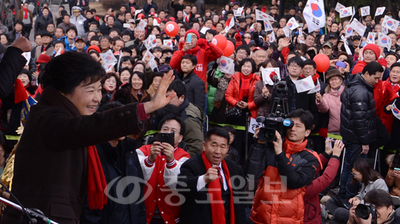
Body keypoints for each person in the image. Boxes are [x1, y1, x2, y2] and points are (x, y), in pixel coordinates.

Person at [0, 51, 176, 223]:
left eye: (99, 89)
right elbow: (89, 127)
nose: (97, 98)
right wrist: (146, 107)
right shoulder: (48, 117)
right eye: (90, 90)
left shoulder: (65, 117)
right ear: (63, 90)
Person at [246, 109, 320, 224]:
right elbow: (252, 174)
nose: (293, 129)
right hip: (261, 216)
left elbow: (294, 182)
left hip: (288, 219)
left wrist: (280, 154)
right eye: (290, 124)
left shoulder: (310, 158)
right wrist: (258, 145)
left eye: (298, 126)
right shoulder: (270, 148)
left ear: (307, 132)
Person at [80, 102, 146, 224]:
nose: (123, 127)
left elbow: (139, 198)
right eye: (118, 122)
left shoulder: (130, 152)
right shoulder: (93, 155)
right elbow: (90, 210)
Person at [177, 127, 247, 224]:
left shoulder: (234, 168)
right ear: (204, 146)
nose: (218, 151)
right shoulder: (191, 165)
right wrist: (203, 179)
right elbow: (181, 187)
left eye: (222, 147)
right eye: (214, 145)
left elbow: (239, 206)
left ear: (227, 148)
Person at [339, 61, 385, 199]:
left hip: (351, 136)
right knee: (357, 170)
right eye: (375, 77)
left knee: (348, 166)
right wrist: (365, 141)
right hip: (357, 139)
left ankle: (343, 195)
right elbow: (360, 120)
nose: (377, 81)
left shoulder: (355, 85)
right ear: (366, 73)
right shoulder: (361, 91)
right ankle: (350, 197)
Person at [136, 115, 190, 224]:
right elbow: (136, 178)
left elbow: (177, 186)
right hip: (143, 215)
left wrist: (171, 161)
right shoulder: (143, 151)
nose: (168, 133)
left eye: (173, 131)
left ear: (180, 138)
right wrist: (150, 159)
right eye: (165, 129)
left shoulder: (184, 157)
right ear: (159, 132)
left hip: (171, 217)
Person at [327, 158, 389, 224]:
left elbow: (380, 203)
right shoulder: (364, 181)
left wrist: (361, 202)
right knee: (331, 202)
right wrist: (356, 198)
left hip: (366, 213)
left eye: (355, 174)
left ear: (363, 172)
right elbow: (361, 195)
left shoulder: (378, 183)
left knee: (339, 212)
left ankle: (336, 217)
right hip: (357, 209)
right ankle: (338, 217)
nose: (354, 177)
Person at [304, 139, 344, 224]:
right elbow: (326, 178)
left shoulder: (295, 171)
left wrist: (325, 155)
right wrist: (335, 156)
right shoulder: (303, 188)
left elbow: (311, 170)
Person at [167, 80, 205, 157]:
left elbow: (196, 148)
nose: (167, 100)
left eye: (171, 97)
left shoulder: (188, 119)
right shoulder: (176, 110)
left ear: (181, 98)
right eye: (166, 97)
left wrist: (178, 160)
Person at [225, 58, 260, 123]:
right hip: (235, 111)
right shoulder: (235, 78)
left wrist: (248, 105)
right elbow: (227, 95)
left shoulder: (257, 80)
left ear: (252, 69)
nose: (246, 68)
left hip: (251, 112)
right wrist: (235, 102)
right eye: (244, 66)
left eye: (248, 66)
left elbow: (259, 99)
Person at [315, 68, 345, 133]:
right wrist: (320, 101)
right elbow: (324, 109)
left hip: (348, 128)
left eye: (336, 79)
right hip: (334, 129)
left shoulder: (347, 92)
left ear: (341, 80)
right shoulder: (326, 95)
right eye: (331, 80)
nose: (334, 81)